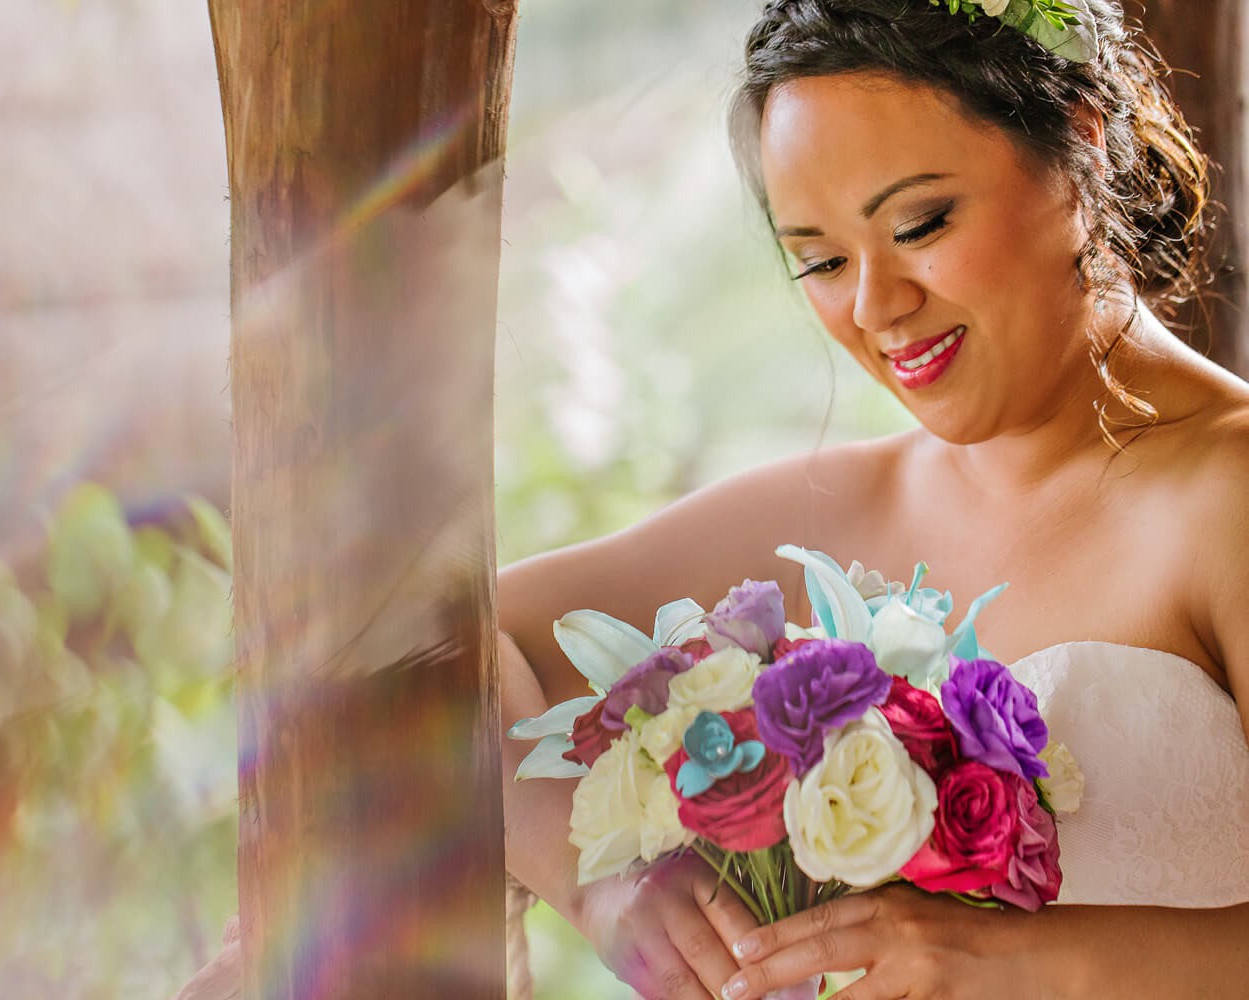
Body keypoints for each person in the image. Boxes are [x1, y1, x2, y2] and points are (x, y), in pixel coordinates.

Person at [499, 1, 1249, 997]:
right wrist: (601, 885)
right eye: (820, 260)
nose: (873, 306)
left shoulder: (1228, 491)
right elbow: (432, 640)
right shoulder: (825, 513)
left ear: (1078, 135)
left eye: (920, 224)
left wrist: (1015, 960)